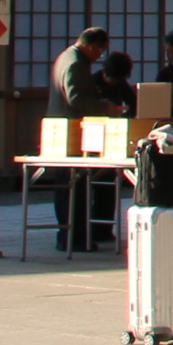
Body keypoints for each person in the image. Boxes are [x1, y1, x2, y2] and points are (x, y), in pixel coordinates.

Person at [46, 27, 122, 253]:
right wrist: (106, 108)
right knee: (74, 189)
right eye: (100, 51)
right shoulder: (76, 63)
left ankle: (68, 235)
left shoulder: (66, 57)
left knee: (66, 188)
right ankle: (75, 237)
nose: (100, 57)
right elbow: (77, 99)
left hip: (60, 130)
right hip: (72, 131)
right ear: (91, 46)